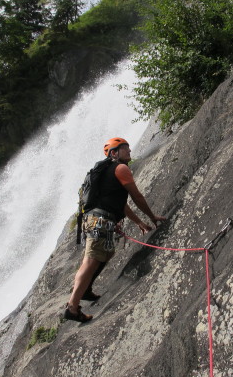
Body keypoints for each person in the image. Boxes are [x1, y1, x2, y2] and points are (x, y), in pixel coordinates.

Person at [64, 137, 166, 322]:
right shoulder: (121, 168)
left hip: (92, 219)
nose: (129, 152)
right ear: (114, 153)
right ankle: (72, 307)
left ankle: (85, 289)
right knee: (90, 261)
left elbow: (121, 204)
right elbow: (136, 196)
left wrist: (138, 222)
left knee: (107, 253)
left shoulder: (104, 173)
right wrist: (151, 216)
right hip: (101, 221)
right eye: (125, 149)